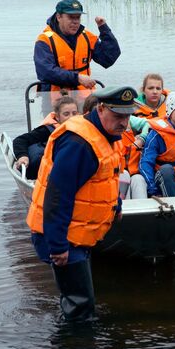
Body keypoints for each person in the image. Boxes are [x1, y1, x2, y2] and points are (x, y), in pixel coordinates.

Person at [26, 86, 137, 322]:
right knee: (81, 309)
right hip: (62, 235)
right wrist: (58, 246)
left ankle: (79, 348)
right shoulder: (78, 143)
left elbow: (106, 176)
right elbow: (58, 195)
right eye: (118, 116)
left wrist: (115, 205)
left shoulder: (106, 134)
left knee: (80, 300)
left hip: (79, 231)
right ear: (101, 109)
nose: (124, 122)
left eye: (127, 116)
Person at [34, 0, 121, 93]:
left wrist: (103, 28)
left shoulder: (87, 37)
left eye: (78, 17)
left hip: (85, 98)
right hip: (56, 101)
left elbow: (108, 59)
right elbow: (45, 72)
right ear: (59, 17)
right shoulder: (44, 40)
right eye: (71, 17)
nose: (75, 22)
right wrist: (77, 78)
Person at [13, 96, 79, 179]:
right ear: (57, 117)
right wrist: (22, 156)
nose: (71, 117)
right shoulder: (47, 130)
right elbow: (20, 140)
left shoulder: (84, 130)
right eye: (66, 114)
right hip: (49, 174)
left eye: (74, 113)